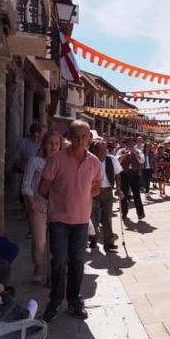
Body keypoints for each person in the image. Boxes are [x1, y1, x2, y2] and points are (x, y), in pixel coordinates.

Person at [38, 120, 102, 323]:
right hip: (58, 219)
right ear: (69, 137)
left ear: (89, 139)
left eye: (84, 136)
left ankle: (74, 300)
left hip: (81, 220)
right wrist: (60, 203)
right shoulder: (56, 159)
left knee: (77, 262)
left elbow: (96, 187)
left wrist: (81, 199)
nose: (80, 140)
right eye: (76, 136)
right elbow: (43, 188)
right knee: (59, 261)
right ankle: (54, 302)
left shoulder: (94, 162)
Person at [21, 131, 63, 284]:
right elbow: (26, 185)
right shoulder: (35, 161)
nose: (53, 146)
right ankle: (38, 268)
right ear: (44, 144)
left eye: (57, 143)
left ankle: (51, 273)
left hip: (57, 209)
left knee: (56, 245)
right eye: (50, 143)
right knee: (39, 243)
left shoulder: (63, 163)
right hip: (38, 207)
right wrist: (31, 203)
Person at [88, 140, 124, 252]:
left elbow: (117, 175)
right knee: (93, 217)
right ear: (95, 150)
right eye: (101, 149)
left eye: (105, 149)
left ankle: (108, 243)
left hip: (108, 191)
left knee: (107, 217)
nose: (104, 152)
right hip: (93, 192)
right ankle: (93, 239)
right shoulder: (90, 160)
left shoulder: (112, 159)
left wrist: (119, 189)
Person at [13, 123, 47, 235]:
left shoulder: (45, 144)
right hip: (29, 178)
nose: (45, 135)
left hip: (44, 179)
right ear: (36, 133)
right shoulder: (23, 144)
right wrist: (26, 169)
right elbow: (16, 160)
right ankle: (32, 229)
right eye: (43, 132)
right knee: (30, 206)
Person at [117, 138, 146, 220]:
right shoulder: (120, 151)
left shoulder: (138, 151)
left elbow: (141, 161)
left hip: (134, 174)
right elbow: (117, 161)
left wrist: (135, 153)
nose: (130, 145)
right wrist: (124, 155)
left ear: (134, 143)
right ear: (125, 144)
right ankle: (124, 213)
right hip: (124, 174)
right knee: (123, 195)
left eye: (131, 143)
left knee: (136, 194)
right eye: (128, 143)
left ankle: (140, 213)